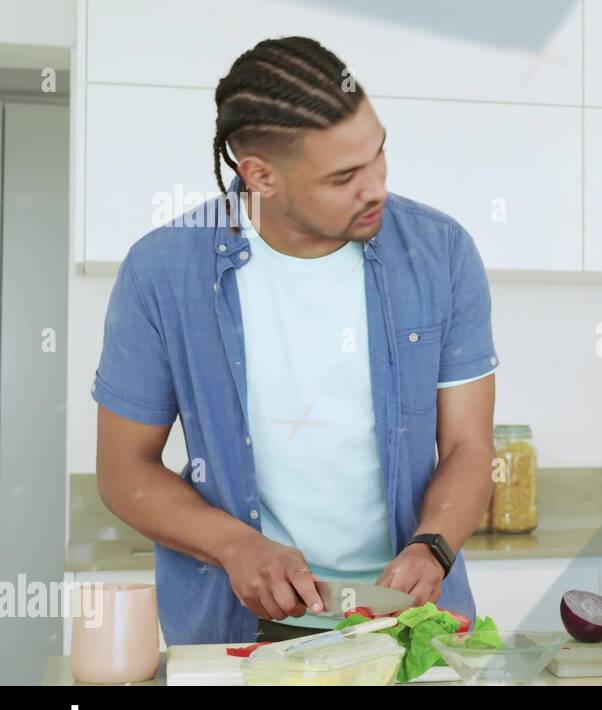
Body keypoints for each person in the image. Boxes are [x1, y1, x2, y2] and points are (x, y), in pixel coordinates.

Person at [93, 37, 498, 644]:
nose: (376, 188)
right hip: (239, 630)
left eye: (378, 154)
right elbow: (123, 470)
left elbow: (469, 446)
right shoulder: (163, 270)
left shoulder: (440, 254)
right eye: (343, 177)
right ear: (261, 175)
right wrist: (234, 546)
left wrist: (432, 548)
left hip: (410, 627)